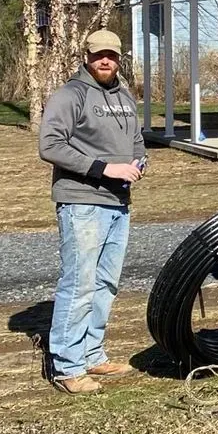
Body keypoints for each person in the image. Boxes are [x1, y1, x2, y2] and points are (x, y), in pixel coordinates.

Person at [39, 29, 146, 393]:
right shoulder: (71, 95)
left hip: (118, 201)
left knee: (105, 283)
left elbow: (136, 139)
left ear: (119, 58)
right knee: (79, 283)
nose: (106, 61)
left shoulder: (124, 95)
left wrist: (138, 161)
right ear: (86, 56)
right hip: (82, 201)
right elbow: (50, 145)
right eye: (99, 55)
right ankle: (67, 368)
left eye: (112, 55)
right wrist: (104, 168)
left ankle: (92, 355)